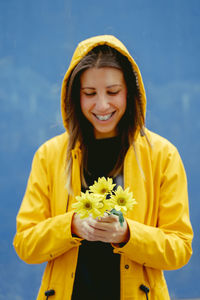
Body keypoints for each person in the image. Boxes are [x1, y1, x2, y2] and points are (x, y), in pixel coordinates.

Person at [13, 35, 193, 300]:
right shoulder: (49, 155)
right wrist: (71, 226)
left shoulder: (163, 155)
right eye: (89, 94)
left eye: (112, 92)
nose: (102, 105)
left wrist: (128, 234)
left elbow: (180, 248)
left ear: (130, 92)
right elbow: (25, 244)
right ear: (75, 96)